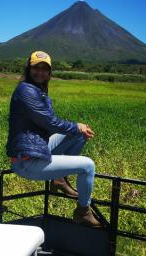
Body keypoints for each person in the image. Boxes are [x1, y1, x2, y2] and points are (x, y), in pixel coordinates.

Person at [6, 50, 101, 228]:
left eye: (44, 69)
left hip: (36, 148)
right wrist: (74, 126)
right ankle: (83, 212)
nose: (40, 72)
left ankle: (59, 179)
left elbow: (48, 124)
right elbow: (49, 122)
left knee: (80, 133)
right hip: (26, 161)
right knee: (88, 166)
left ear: (49, 72)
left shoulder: (39, 91)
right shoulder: (25, 90)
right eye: (36, 68)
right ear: (29, 69)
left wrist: (78, 128)